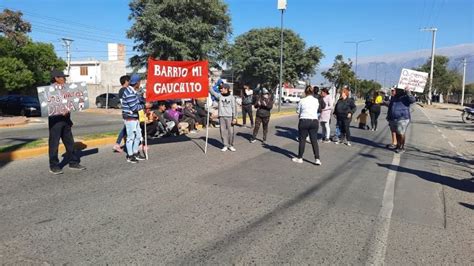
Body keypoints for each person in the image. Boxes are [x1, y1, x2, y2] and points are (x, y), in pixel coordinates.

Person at [48, 69, 86, 174]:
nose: (64, 79)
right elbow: (49, 106)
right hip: (55, 120)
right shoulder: (49, 90)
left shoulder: (66, 89)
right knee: (54, 143)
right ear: (56, 78)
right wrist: (60, 111)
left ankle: (73, 162)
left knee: (70, 142)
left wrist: (69, 119)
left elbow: (69, 102)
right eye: (62, 77)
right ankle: (54, 165)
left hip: (65, 120)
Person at [292, 86, 321, 165]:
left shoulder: (302, 100)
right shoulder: (316, 100)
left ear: (305, 92)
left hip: (304, 121)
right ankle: (317, 159)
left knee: (302, 140)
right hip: (314, 121)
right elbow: (317, 109)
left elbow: (298, 111)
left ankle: (300, 157)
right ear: (312, 92)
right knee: (314, 140)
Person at [121, 74, 146, 163]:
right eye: (139, 82)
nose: (140, 83)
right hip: (130, 118)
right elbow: (134, 107)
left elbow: (138, 100)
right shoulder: (129, 93)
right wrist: (144, 105)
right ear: (137, 83)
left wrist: (143, 99)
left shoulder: (133, 91)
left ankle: (135, 153)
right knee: (130, 137)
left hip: (135, 118)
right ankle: (130, 156)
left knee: (138, 136)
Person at [386, 87, 416, 153]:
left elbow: (413, 100)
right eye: (396, 90)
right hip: (393, 118)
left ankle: (402, 147)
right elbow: (391, 106)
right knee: (397, 132)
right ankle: (398, 146)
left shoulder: (406, 97)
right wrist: (388, 116)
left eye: (397, 90)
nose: (396, 91)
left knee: (401, 133)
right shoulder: (394, 97)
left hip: (403, 118)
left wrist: (408, 92)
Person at [210, 82, 237, 152]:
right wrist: (209, 86)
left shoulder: (231, 97)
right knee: (223, 132)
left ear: (226, 89)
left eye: (222, 88)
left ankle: (231, 145)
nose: (221, 90)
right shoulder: (220, 96)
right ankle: (225, 145)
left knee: (231, 132)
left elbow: (234, 107)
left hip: (230, 117)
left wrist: (235, 118)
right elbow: (213, 93)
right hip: (221, 116)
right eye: (220, 89)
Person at [113, 75, 130, 153]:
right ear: (126, 81)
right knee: (126, 128)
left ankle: (121, 144)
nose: (129, 82)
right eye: (129, 81)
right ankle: (117, 144)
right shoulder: (124, 90)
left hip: (126, 112)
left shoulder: (122, 90)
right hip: (128, 112)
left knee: (126, 128)